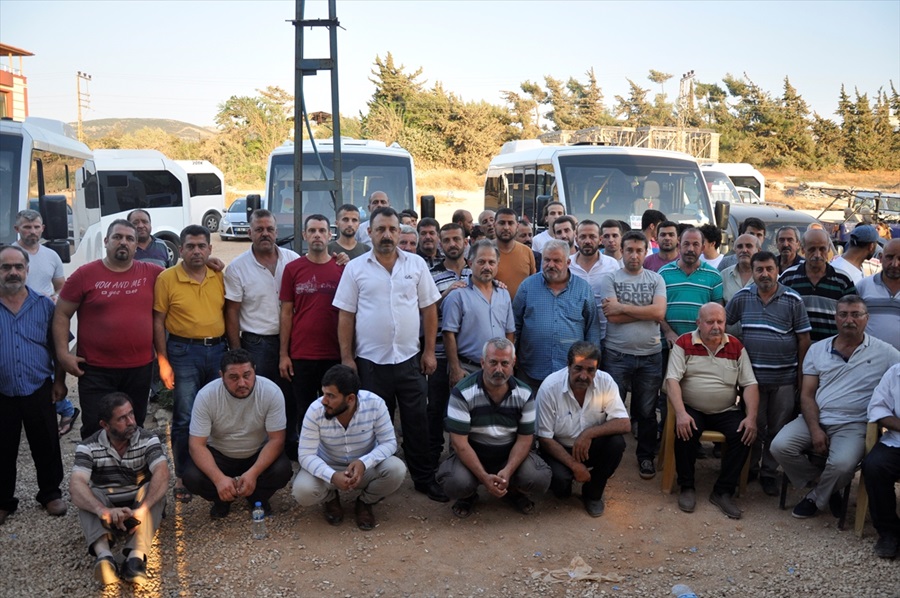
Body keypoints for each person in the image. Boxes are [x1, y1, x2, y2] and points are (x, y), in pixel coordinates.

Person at [333, 206, 447, 502]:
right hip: (370, 363)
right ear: (368, 232)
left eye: (392, 229)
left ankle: (423, 479)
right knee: (373, 426)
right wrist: (347, 358)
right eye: (380, 229)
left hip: (410, 360)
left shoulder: (416, 265)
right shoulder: (355, 268)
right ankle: (376, 482)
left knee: (416, 422)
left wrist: (429, 351)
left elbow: (429, 309)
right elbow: (346, 315)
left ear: (400, 232)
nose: (387, 235)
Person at [770, 295, 899, 519]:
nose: (849, 320)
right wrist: (815, 429)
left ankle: (816, 496)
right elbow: (807, 395)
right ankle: (827, 486)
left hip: (854, 424)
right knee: (779, 447)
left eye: (856, 314)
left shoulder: (886, 352)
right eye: (843, 314)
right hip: (816, 417)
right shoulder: (817, 350)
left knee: (841, 465)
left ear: (867, 319)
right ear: (835, 319)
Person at [54, 219, 162, 439]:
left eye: (129, 239)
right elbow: (62, 314)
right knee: (96, 427)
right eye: (117, 237)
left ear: (136, 244)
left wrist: (209, 262)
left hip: (139, 370)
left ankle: (132, 473)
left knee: (134, 427)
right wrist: (63, 354)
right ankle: (97, 472)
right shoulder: (84, 275)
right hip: (96, 370)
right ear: (106, 241)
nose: (123, 242)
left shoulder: (153, 273)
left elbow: (183, 274)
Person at [725, 252, 811, 496]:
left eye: (769, 269)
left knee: (777, 427)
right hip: (752, 380)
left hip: (784, 378)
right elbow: (724, 324)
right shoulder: (742, 297)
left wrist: (801, 375)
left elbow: (804, 339)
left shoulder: (793, 299)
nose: (764, 274)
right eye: (759, 269)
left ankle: (769, 473)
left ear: (777, 271)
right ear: (752, 272)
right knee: (754, 425)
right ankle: (750, 468)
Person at [437, 338, 551, 517]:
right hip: (473, 452)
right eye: (493, 363)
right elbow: (459, 444)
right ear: (483, 363)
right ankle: (468, 495)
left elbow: (525, 440)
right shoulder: (462, 392)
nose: (499, 369)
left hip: (508, 453)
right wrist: (484, 477)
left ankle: (513, 489)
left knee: (538, 477)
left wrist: (508, 470)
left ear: (513, 363)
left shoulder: (525, 393)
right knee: (455, 482)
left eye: (505, 363)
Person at [153, 224, 226, 503]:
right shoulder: (166, 278)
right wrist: (163, 361)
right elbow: (158, 321)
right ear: (180, 249)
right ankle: (183, 474)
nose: (196, 251)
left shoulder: (218, 275)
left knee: (217, 414)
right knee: (184, 416)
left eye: (202, 246)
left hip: (218, 349)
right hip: (183, 352)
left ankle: (212, 469)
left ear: (209, 249)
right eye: (191, 246)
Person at [666, 303, 759, 519]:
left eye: (720, 322)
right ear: (698, 323)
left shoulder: (736, 346)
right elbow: (672, 379)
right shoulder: (684, 342)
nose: (716, 327)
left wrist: (751, 417)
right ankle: (687, 486)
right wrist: (680, 412)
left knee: (744, 434)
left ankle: (723, 491)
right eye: (710, 322)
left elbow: (750, 384)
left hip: (726, 409)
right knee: (686, 428)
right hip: (692, 407)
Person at [70, 393, 168, 585]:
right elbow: (76, 485)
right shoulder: (88, 446)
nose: (131, 421)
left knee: (155, 490)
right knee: (87, 496)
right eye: (122, 418)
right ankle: (104, 557)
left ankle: (135, 558)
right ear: (105, 425)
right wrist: (103, 511)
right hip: (107, 507)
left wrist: (143, 509)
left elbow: (163, 473)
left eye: (131, 414)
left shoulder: (148, 439)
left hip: (139, 506)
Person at [293, 365, 407, 531]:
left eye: (331, 396)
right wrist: (332, 476)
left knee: (396, 469)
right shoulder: (315, 410)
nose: (324, 400)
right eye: (324, 393)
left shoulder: (375, 404)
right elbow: (305, 455)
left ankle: (365, 502)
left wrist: (364, 463)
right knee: (302, 491)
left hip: (364, 469)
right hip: (328, 465)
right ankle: (330, 498)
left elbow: (389, 442)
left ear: (350, 399)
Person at [0, 245, 67, 525]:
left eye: (18, 267)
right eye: (6, 267)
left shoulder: (44, 305)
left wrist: (60, 382)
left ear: (28, 270)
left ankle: (50, 493)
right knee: (2, 447)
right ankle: (3, 501)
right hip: (2, 392)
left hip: (38, 386)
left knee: (46, 443)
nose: (13, 272)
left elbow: (58, 347)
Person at [224, 209, 300, 457]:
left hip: (292, 340)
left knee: (290, 396)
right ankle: (260, 450)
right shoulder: (237, 268)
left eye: (269, 229)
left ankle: (290, 447)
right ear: (250, 233)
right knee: (260, 399)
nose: (265, 234)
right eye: (259, 229)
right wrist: (237, 351)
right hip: (257, 343)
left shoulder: (293, 259)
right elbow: (232, 311)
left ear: (277, 232)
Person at [183, 349, 292, 519]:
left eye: (247, 375)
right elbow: (196, 445)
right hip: (220, 454)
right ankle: (222, 498)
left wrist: (254, 473)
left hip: (256, 452)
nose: (242, 383)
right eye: (234, 377)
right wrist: (219, 479)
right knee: (191, 476)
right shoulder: (206, 396)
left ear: (255, 370)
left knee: (282, 470)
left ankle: (257, 497)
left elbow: (277, 440)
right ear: (221, 375)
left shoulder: (271, 392)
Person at [599, 231, 667, 480]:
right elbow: (612, 317)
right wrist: (644, 311)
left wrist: (624, 307)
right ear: (622, 251)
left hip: (650, 355)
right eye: (630, 250)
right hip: (617, 354)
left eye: (639, 250)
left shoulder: (656, 279)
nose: (634, 255)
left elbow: (659, 313)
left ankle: (645, 457)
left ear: (647, 252)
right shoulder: (610, 278)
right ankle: (608, 457)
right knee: (611, 410)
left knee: (647, 411)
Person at [536, 342, 629, 516]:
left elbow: (624, 423)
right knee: (560, 487)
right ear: (568, 365)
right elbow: (544, 438)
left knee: (617, 443)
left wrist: (588, 434)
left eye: (590, 370)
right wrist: (574, 466)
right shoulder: (550, 387)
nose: (583, 376)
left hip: (589, 446)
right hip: (559, 447)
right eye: (578, 368)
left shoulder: (606, 381)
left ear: (597, 369)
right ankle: (568, 479)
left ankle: (593, 494)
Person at [279, 214, 344, 447]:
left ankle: (333, 454)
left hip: (334, 354)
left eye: (322, 230)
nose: (317, 235)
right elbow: (286, 312)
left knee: (334, 409)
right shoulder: (292, 269)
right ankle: (306, 456)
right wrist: (284, 355)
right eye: (312, 231)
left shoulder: (342, 268)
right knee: (304, 411)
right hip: (301, 354)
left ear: (329, 235)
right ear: (305, 235)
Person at [13, 209, 77, 435]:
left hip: (45, 315)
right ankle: (63, 407)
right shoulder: (9, 255)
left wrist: (55, 297)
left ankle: (61, 406)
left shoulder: (51, 256)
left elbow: (61, 286)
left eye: (36, 227)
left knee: (50, 361)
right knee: (24, 361)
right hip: (14, 317)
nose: (32, 231)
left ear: (43, 229)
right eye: (27, 227)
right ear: (17, 229)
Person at [512, 239, 599, 390]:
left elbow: (592, 329)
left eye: (557, 261)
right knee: (530, 412)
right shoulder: (527, 286)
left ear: (568, 262)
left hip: (571, 372)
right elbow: (515, 325)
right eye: (547, 260)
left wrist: (591, 363)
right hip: (531, 370)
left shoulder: (583, 289)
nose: (551, 265)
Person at [426, 223, 472, 472]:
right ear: (440, 244)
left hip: (468, 357)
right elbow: (425, 313)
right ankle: (433, 459)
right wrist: (446, 295)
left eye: (457, 239)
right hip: (440, 354)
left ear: (466, 241)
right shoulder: (431, 276)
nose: (452, 244)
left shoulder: (477, 272)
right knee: (435, 408)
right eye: (447, 240)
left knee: (467, 411)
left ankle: (463, 460)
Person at [779, 228, 856, 342]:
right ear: (803, 249)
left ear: (829, 249)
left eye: (822, 249)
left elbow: (853, 316)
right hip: (797, 350)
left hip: (831, 350)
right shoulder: (788, 278)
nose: (817, 254)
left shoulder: (843, 280)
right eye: (812, 249)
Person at [659, 227, 724, 347]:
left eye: (695, 244)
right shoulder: (663, 273)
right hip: (669, 344)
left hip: (701, 345)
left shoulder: (714, 276)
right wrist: (668, 332)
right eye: (686, 244)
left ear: (703, 248)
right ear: (679, 246)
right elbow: (657, 310)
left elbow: (718, 313)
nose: (690, 249)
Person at [862, 363, 900, 558]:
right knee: (874, 466)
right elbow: (878, 408)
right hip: (897, 440)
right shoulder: (895, 372)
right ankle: (889, 533)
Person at [570, 219, 619, 343]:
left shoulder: (612, 265)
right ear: (576, 239)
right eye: (583, 237)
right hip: (574, 335)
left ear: (600, 239)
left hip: (606, 336)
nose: (587, 241)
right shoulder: (567, 264)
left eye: (592, 236)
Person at [856, 238, 900, 350]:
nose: (895, 264)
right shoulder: (863, 286)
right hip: (870, 359)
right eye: (890, 257)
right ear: (880, 258)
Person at [493, 207, 537, 301]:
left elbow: (534, 283)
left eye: (510, 223)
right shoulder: (484, 250)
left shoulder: (527, 251)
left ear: (517, 226)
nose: (506, 227)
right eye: (502, 223)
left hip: (522, 311)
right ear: (494, 225)